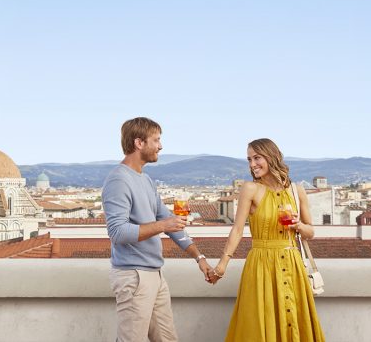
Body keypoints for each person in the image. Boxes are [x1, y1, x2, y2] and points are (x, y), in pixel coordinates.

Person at [103, 117, 215, 342]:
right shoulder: (119, 180)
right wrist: (163, 225)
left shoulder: (145, 180)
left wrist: (199, 257)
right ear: (139, 143)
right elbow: (117, 233)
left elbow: (169, 221)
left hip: (154, 274)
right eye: (156, 140)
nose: (161, 146)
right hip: (134, 277)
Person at [210, 138, 324, 341]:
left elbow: (311, 232)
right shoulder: (250, 189)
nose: (252, 164)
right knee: (260, 321)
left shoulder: (297, 191)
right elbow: (237, 230)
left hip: (292, 264)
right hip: (261, 265)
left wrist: (298, 225)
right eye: (249, 159)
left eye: (257, 158)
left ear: (272, 157)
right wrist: (222, 264)